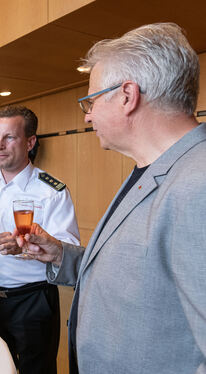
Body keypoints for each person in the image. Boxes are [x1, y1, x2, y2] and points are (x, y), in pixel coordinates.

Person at [17, 23, 206, 374]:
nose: (87, 114)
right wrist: (60, 254)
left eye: (90, 100)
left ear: (127, 96)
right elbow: (137, 274)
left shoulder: (198, 185)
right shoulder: (151, 168)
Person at [0, 105, 79, 373]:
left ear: (30, 142)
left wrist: (25, 248)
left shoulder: (51, 191)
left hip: (33, 299)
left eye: (10, 137)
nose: (0, 146)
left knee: (37, 369)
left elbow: (67, 249)